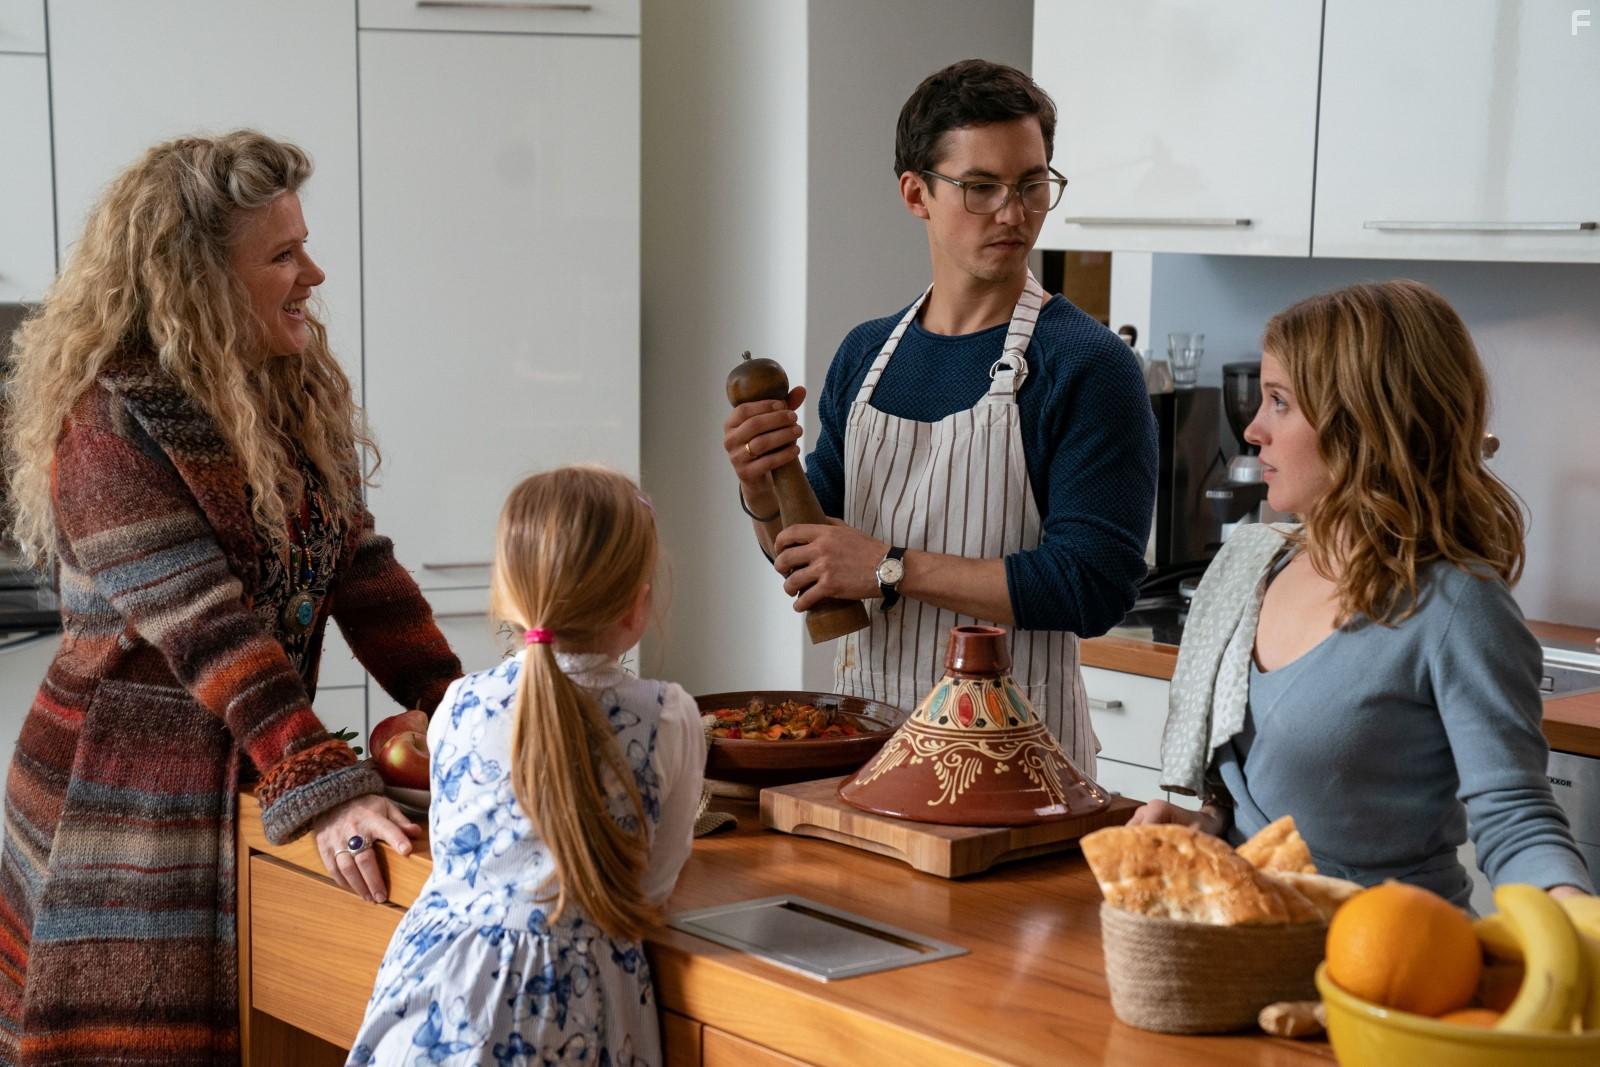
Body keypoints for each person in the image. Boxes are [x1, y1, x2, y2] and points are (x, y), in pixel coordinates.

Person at [0, 131, 463, 1063]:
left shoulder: (282, 395)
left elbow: (363, 576)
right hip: (117, 814)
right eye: (283, 254)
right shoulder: (107, 420)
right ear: (198, 280)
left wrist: (470, 716)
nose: (314, 272)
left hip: (242, 778)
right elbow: (209, 626)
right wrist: (321, 785)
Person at [722, 59, 1156, 770]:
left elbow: (1092, 585)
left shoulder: (1086, 363)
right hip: (866, 748)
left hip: (1020, 768)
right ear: (916, 193)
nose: (1014, 213)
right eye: (981, 187)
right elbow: (807, 555)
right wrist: (759, 485)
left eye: (1032, 183)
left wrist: (892, 568)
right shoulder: (867, 355)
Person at [1136, 280, 1593, 908]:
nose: (1252, 429)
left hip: (1387, 964)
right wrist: (1206, 825)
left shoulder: (1456, 608)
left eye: (1279, 403)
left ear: (1363, 424)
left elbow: (1515, 816)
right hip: (1245, 948)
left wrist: (1576, 925)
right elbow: (1255, 801)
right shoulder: (1256, 569)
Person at [348, 466, 703, 1066]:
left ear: (507, 594)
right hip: (570, 1013)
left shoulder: (455, 704)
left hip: (433, 999)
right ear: (637, 605)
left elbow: (461, 850)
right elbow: (652, 885)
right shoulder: (666, 715)